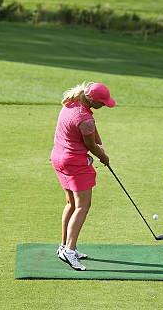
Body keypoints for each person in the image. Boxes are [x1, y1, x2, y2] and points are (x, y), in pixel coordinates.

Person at [50, 82, 115, 270]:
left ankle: (64, 247)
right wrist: (104, 157)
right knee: (82, 206)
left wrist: (98, 142)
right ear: (93, 100)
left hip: (58, 158)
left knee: (71, 204)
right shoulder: (85, 119)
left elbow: (92, 135)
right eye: (102, 103)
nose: (104, 105)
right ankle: (69, 252)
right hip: (74, 163)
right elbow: (91, 146)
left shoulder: (71, 103)